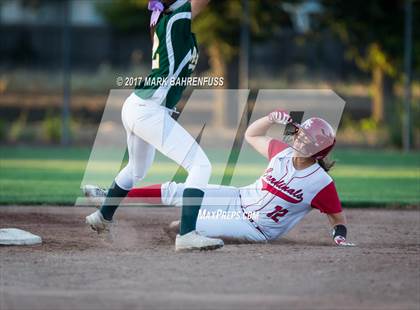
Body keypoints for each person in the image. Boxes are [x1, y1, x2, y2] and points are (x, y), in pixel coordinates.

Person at [84, 111, 355, 246]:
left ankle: (189, 234)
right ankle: (109, 197)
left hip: (255, 227)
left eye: (305, 136)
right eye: (300, 133)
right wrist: (271, 117)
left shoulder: (320, 184)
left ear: (316, 149)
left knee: (179, 226)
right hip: (238, 197)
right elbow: (252, 135)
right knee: (180, 189)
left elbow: (337, 219)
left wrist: (339, 237)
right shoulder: (281, 153)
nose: (298, 136)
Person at [85, 0, 225, 252]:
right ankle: (187, 234)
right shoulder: (174, 18)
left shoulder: (169, 18)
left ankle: (102, 216)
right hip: (149, 109)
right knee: (201, 165)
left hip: (141, 106)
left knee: (137, 170)